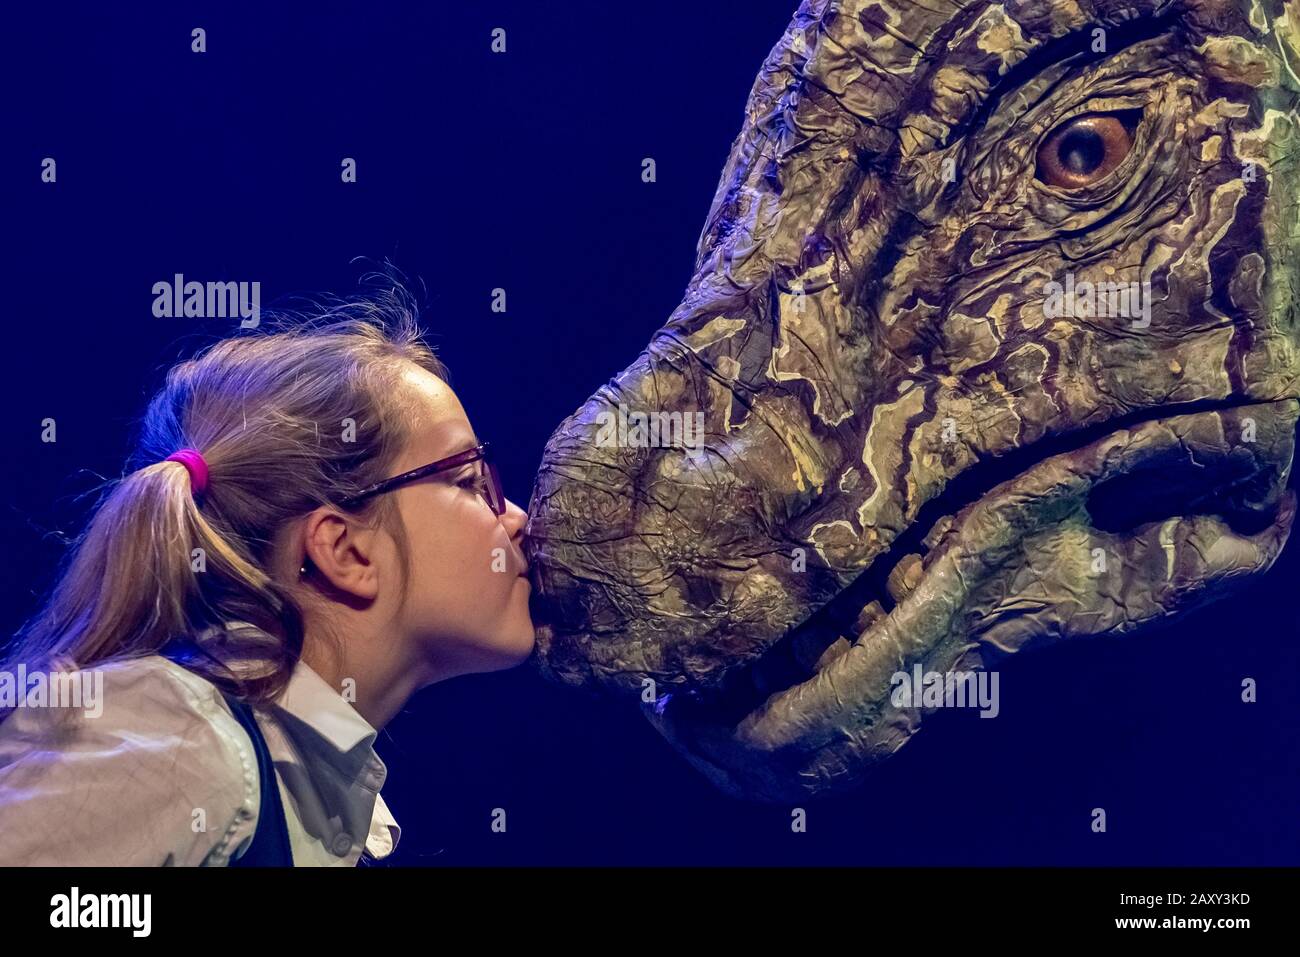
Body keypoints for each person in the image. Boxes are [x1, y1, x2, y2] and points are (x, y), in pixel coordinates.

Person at [0, 288, 536, 865]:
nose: (517, 519)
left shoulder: (302, 775)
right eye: (467, 482)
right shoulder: (185, 741)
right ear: (345, 550)